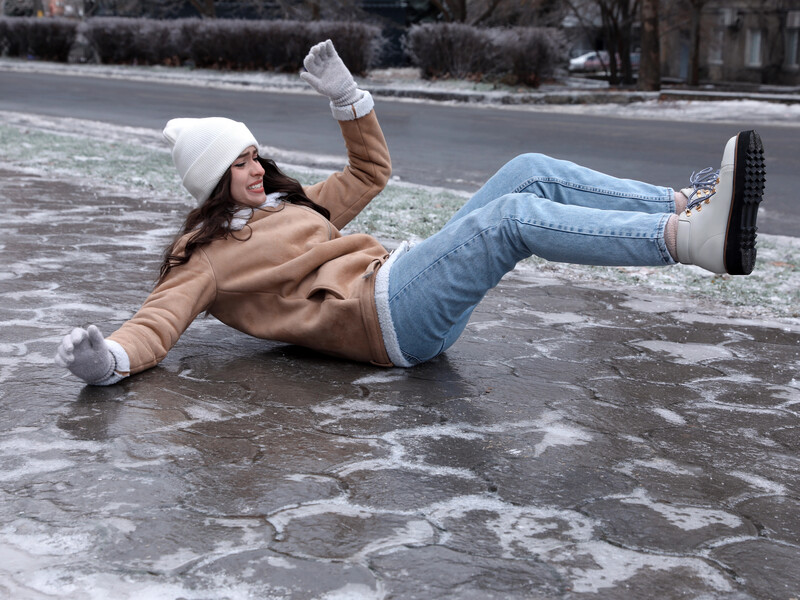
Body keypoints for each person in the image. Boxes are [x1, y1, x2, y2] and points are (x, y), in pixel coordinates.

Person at [55, 40, 766, 386]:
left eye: (253, 156)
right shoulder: (207, 260)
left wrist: (348, 101)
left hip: (401, 284)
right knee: (510, 217)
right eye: (238, 164)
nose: (255, 169)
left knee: (528, 169)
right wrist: (107, 359)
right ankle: (689, 242)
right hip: (385, 316)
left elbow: (370, 173)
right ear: (212, 183)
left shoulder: (288, 205)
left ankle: (691, 204)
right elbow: (157, 323)